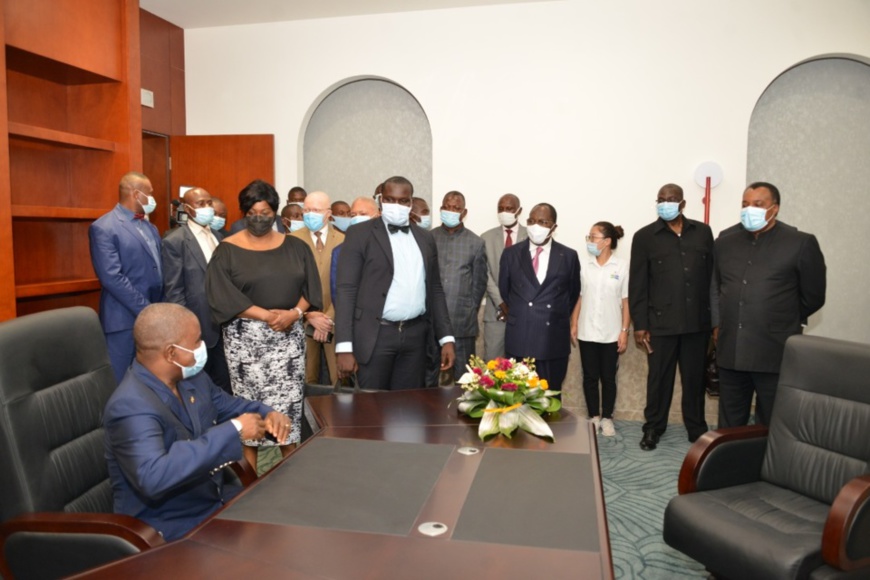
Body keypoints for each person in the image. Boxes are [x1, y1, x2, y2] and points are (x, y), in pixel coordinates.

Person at [103, 303, 292, 542]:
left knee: (289, 521)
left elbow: (231, 407)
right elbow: (154, 475)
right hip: (165, 529)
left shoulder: (193, 378)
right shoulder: (131, 405)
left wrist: (268, 413)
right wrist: (235, 430)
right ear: (171, 353)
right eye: (196, 342)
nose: (202, 348)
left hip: (213, 501)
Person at [206, 179, 322, 471]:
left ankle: (293, 481)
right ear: (244, 213)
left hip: (288, 342)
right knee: (251, 415)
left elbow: (312, 290)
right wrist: (267, 316)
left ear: (276, 212)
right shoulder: (227, 250)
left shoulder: (297, 247)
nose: (259, 217)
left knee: (288, 415)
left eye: (266, 211)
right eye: (253, 212)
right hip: (246, 345)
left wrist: (293, 313)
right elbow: (222, 295)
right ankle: (248, 487)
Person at [712, 181, 826, 427]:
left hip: (774, 348)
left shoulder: (800, 242)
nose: (749, 209)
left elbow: (814, 296)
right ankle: (730, 464)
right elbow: (717, 287)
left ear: (774, 209)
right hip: (732, 348)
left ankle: (765, 465)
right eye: (745, 204)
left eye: (757, 204)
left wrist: (780, 318)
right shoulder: (724, 241)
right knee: (730, 420)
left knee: (771, 420)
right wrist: (718, 323)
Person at [335, 176, 455, 390]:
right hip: (375, 335)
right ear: (381, 200)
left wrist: (446, 338)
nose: (396, 206)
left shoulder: (425, 238)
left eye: (402, 201)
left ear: (410, 204)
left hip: (415, 337)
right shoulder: (359, 234)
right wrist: (344, 346)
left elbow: (435, 290)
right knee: (370, 412)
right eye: (390, 199)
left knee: (409, 411)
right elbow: (346, 290)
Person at [629, 183, 713, 451]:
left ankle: (696, 428)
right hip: (660, 324)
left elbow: (713, 278)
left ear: (683, 204)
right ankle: (653, 428)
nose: (666, 203)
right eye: (661, 199)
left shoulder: (702, 232)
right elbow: (638, 285)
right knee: (659, 380)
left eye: (672, 199)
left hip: (697, 324)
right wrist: (639, 325)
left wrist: (714, 323)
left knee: (694, 380)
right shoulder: (644, 237)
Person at [89, 171, 164, 383]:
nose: (152, 199)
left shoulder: (151, 227)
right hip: (122, 320)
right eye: (149, 194)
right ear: (136, 194)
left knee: (149, 381)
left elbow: (158, 270)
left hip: (153, 319)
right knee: (120, 382)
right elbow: (112, 277)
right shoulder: (104, 227)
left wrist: (157, 312)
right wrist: (146, 309)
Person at [499, 203, 580, 391]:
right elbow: (505, 290)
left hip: (553, 338)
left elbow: (572, 293)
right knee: (517, 396)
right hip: (520, 335)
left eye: (543, 222)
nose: (536, 226)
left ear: (554, 227)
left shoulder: (568, 256)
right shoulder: (511, 254)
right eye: (532, 221)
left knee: (550, 396)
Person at [162, 187, 231, 393]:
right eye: (200, 204)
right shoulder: (175, 241)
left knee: (224, 385)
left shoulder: (219, 237)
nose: (207, 208)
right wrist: (188, 329)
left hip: (222, 325)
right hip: (197, 327)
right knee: (198, 388)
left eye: (209, 203)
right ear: (187, 208)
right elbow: (174, 291)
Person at [570, 222, 630, 437]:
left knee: (608, 377)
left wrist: (624, 330)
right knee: (590, 376)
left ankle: (608, 418)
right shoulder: (584, 267)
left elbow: (626, 301)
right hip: (587, 331)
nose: (589, 241)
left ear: (606, 241)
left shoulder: (621, 266)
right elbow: (579, 297)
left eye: (593, 237)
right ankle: (594, 416)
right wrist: (574, 323)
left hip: (611, 332)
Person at [431, 191, 487, 379]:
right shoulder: (428, 238)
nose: (451, 211)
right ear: (441, 209)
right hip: (430, 324)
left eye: (456, 208)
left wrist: (469, 308)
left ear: (464, 212)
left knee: (464, 381)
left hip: (462, 325)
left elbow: (479, 284)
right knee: (427, 379)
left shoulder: (476, 242)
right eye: (447, 207)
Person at [292, 191, 345, 384]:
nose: (309, 214)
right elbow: (289, 284)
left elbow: (346, 284)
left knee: (338, 378)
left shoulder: (343, 240)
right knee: (307, 378)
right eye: (306, 210)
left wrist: (328, 318)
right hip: (303, 320)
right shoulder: (291, 240)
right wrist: (309, 315)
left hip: (336, 319)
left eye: (315, 210)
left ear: (328, 213)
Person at [480, 193, 527, 360]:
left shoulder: (531, 237)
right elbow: (484, 274)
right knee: (493, 367)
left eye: (509, 208)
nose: (504, 212)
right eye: (500, 209)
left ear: (518, 210)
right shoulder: (486, 238)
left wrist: (515, 302)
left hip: (524, 314)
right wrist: (501, 302)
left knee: (523, 369)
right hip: (495, 313)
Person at [330, 196, 380, 305]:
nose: (357, 218)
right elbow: (337, 292)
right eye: (353, 215)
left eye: (363, 214)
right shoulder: (339, 251)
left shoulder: (389, 246)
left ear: (378, 215)